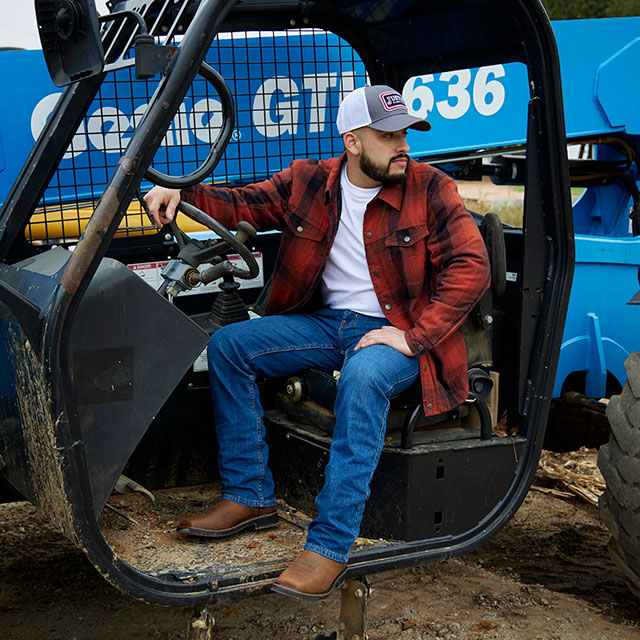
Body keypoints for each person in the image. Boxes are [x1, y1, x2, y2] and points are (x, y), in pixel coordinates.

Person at [145, 84, 490, 601]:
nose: (402, 146)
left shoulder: (430, 187)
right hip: (329, 324)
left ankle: (330, 545)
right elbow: (244, 202)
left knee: (364, 376)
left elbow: (471, 266)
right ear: (351, 141)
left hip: (397, 333)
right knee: (229, 347)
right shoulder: (308, 181)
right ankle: (249, 495)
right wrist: (183, 193)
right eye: (388, 135)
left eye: (405, 135)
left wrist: (413, 337)